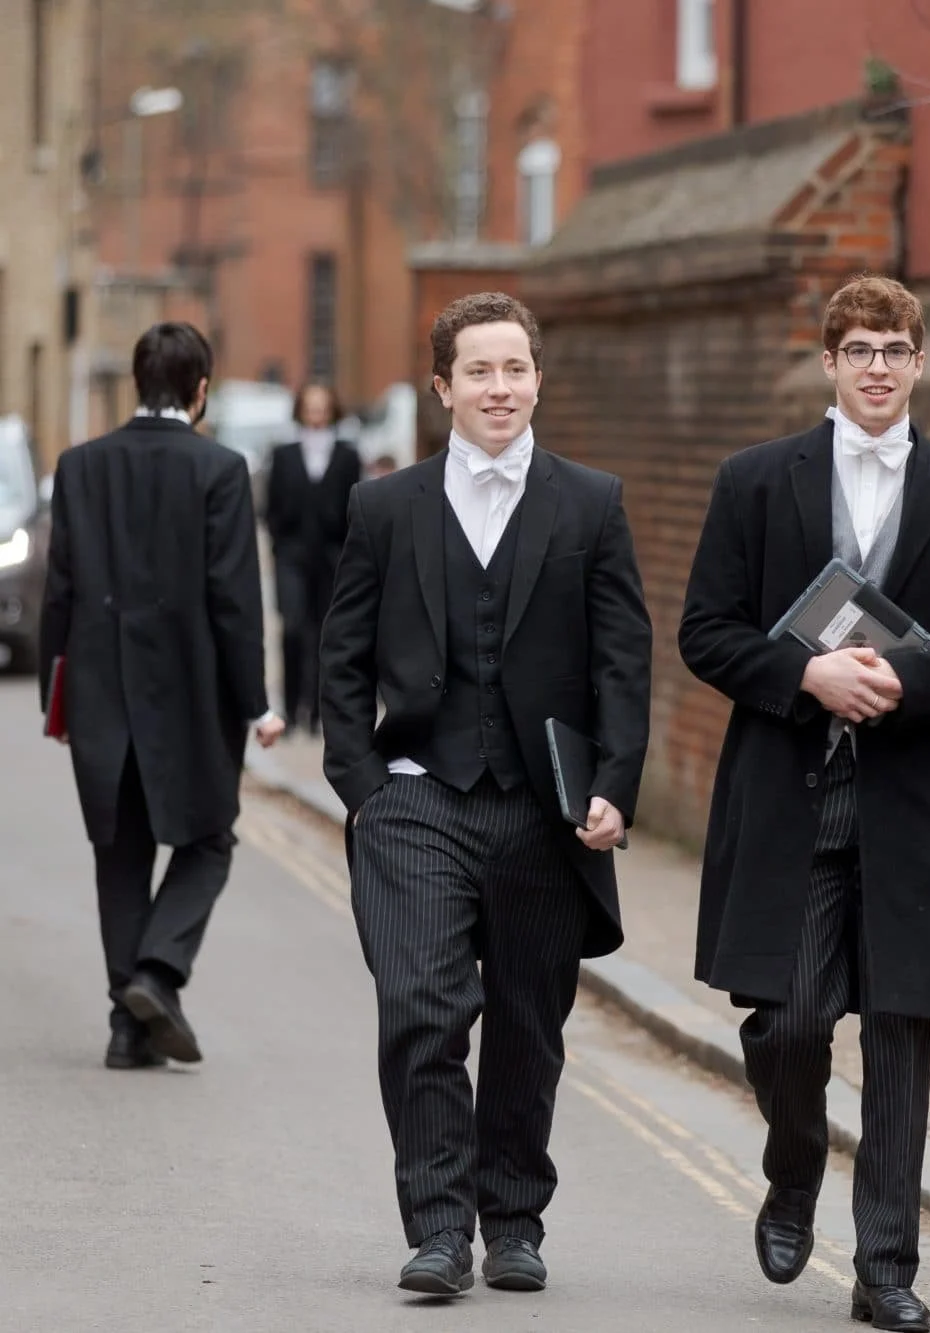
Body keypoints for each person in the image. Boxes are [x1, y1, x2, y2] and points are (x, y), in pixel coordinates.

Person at [679, 274, 930, 1333]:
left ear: (920, 363)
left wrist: (904, 684)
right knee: (787, 1021)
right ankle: (793, 1169)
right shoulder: (754, 482)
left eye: (894, 348)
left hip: (915, 802)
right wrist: (805, 676)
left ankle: (885, 1265)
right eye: (858, 349)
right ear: (828, 363)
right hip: (790, 796)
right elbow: (707, 630)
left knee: (897, 1032)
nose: (877, 367)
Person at [319, 291, 652, 1297]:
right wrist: (365, 788)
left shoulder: (590, 503)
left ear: (537, 378)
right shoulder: (385, 507)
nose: (498, 388)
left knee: (525, 1021)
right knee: (420, 1004)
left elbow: (621, 662)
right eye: (478, 371)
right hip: (418, 794)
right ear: (442, 389)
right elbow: (339, 658)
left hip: (541, 808)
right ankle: (435, 1226)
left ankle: (512, 1219)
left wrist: (610, 785)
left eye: (513, 369)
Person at [38, 322, 285, 1069]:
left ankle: (128, 1029)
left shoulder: (80, 466)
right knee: (208, 840)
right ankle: (156, 974)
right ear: (200, 389)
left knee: (120, 853)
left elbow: (61, 592)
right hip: (193, 700)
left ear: (138, 383)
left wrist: (59, 688)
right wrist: (258, 703)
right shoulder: (219, 470)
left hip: (100, 695)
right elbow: (234, 603)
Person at [265, 381, 361, 734]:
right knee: (291, 629)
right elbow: (271, 507)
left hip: (332, 557)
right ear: (301, 410)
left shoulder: (348, 455)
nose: (317, 413)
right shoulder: (283, 454)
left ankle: (319, 714)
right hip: (292, 557)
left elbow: (355, 507)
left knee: (327, 635)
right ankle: (290, 710)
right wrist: (280, 544)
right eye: (311, 406)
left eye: (323, 406)